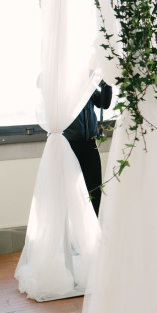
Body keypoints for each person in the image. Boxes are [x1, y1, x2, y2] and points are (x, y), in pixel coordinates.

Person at [63, 81, 112, 216]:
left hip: (90, 144)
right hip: (69, 145)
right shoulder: (62, 84)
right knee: (72, 191)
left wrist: (106, 84)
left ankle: (96, 228)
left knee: (95, 190)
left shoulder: (86, 84)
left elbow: (104, 104)